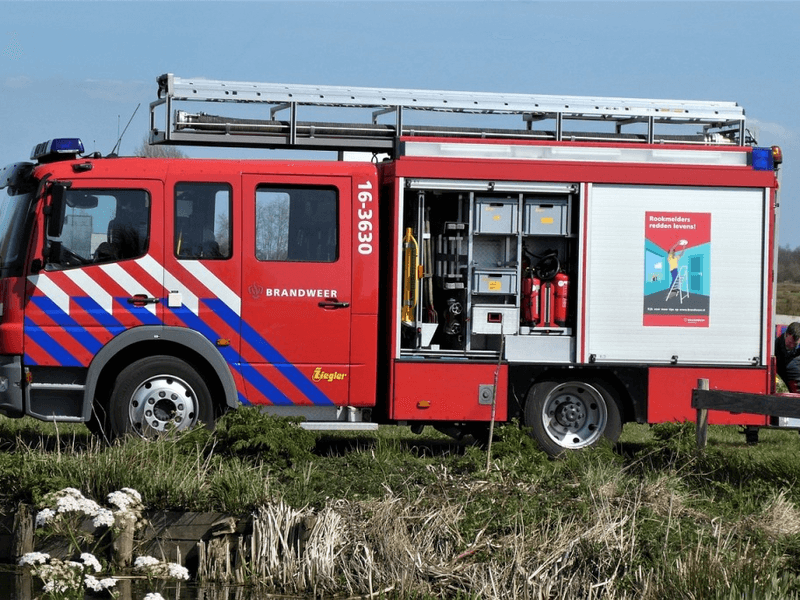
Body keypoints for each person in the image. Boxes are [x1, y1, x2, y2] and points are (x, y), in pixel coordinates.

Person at [775, 321, 800, 393]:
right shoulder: (775, 345)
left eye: (795, 344)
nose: (792, 346)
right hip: (780, 374)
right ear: (786, 334)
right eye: (790, 343)